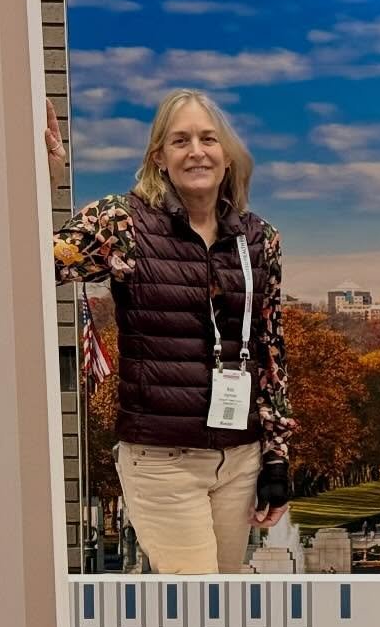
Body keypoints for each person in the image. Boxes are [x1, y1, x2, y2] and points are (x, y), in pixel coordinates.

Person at [47, 90, 295, 574]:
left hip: (240, 458)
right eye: (180, 141)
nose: (196, 151)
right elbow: (40, 262)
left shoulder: (260, 239)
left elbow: (271, 353)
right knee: (201, 606)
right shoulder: (123, 223)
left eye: (208, 138)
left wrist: (276, 457)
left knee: (221, 608)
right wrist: (47, 181)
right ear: (159, 157)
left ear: (227, 155)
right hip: (163, 461)